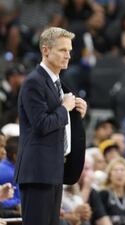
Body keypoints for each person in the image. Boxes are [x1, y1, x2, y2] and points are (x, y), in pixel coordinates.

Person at [14, 27, 87, 225]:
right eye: (63, 50)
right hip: (37, 172)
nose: (68, 55)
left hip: (53, 170)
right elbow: (41, 124)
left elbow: (59, 121)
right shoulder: (33, 82)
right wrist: (65, 108)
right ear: (45, 50)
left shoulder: (56, 82)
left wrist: (76, 111)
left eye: (69, 51)